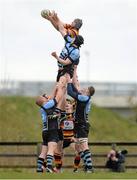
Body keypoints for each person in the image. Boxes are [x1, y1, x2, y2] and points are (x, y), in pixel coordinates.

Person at [67, 74, 95, 173]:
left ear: (87, 93)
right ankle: (87, 165)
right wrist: (73, 76)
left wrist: (68, 80)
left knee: (84, 145)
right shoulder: (84, 98)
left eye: (85, 89)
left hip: (82, 124)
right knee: (78, 147)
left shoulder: (84, 98)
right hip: (79, 124)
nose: (83, 89)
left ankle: (90, 167)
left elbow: (70, 92)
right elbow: (75, 91)